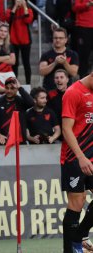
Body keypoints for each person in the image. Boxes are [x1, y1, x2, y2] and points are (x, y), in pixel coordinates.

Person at [60, 72, 93, 253]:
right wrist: (81, 156)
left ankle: (79, 236)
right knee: (77, 202)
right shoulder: (73, 92)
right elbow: (66, 129)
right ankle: (69, 250)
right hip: (74, 157)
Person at [0, 77, 33, 145]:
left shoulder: (21, 101)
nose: (9, 91)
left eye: (12, 88)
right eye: (7, 88)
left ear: (16, 89)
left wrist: (20, 88)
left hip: (19, 141)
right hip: (1, 140)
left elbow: (31, 103)